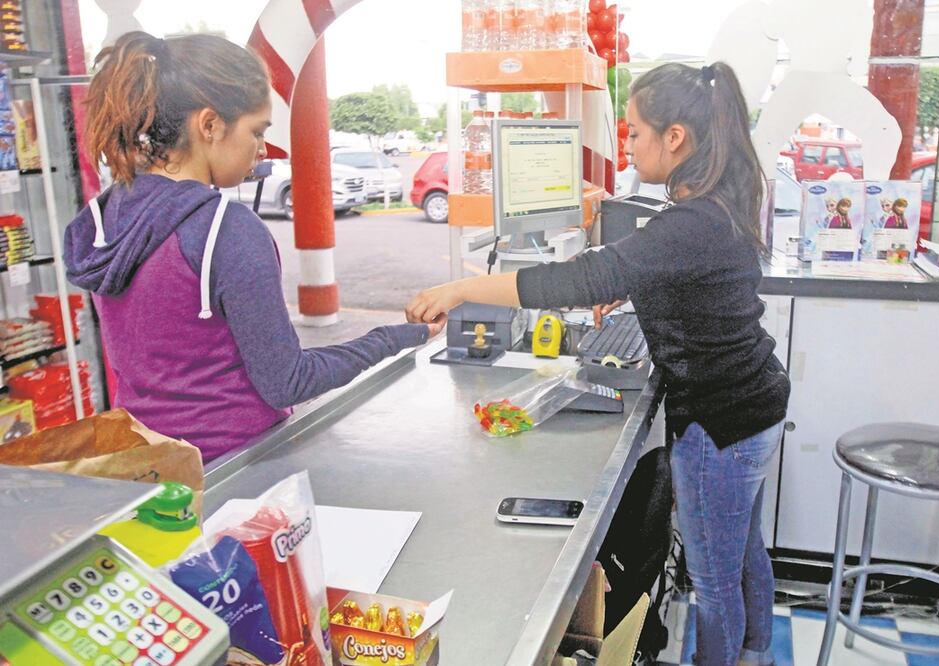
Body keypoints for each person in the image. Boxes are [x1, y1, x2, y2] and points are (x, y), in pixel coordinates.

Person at [406, 62, 790, 666]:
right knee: (743, 554)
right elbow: (693, 285)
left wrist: (464, 290)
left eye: (634, 131)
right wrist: (643, 287)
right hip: (753, 405)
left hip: (723, 423)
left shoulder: (691, 223)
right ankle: (757, 653)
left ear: (676, 138)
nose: (626, 143)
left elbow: (580, 276)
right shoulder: (715, 206)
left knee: (716, 584)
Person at [64, 32, 441, 462]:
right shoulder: (225, 229)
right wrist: (393, 338)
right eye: (257, 131)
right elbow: (287, 382)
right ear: (209, 125)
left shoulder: (105, 217)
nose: (262, 149)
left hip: (147, 468)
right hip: (236, 470)